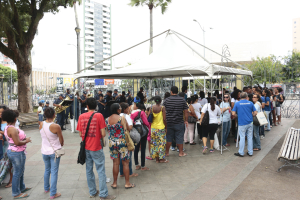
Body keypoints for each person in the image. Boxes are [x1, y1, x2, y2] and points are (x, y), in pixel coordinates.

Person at [77, 98, 115, 199]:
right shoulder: (99, 115)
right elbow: (103, 133)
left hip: (86, 147)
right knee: (101, 170)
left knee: (89, 170)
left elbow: (80, 133)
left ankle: (92, 192)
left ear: (87, 106)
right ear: (96, 106)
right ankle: (103, 194)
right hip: (97, 146)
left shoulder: (81, 116)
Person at [4, 109, 32, 198]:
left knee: (20, 171)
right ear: (15, 119)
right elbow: (17, 143)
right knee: (17, 172)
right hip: (16, 153)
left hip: (16, 152)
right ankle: (16, 193)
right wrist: (26, 141)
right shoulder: (12, 129)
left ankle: (22, 187)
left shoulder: (7, 127)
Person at [107, 103, 135, 190]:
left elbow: (109, 130)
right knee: (125, 163)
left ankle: (114, 183)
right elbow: (128, 129)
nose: (120, 109)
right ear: (117, 109)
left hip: (112, 143)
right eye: (119, 108)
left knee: (115, 163)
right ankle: (127, 183)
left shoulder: (107, 119)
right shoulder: (121, 118)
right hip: (122, 143)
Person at [40, 107, 64, 199]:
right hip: (54, 152)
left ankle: (46, 188)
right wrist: (59, 144)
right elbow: (61, 140)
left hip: (44, 151)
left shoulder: (41, 124)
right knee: (54, 172)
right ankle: (53, 193)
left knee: (47, 170)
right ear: (54, 115)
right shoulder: (56, 126)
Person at [163, 86, 188, 157]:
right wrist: (186, 120)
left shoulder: (166, 100)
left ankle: (167, 152)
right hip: (179, 122)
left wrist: (164, 121)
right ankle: (181, 153)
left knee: (169, 138)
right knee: (180, 137)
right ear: (177, 91)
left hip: (169, 122)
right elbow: (186, 111)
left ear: (171, 91)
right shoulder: (182, 100)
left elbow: (163, 111)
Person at [232, 92, 257, 157]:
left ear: (240, 97)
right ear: (246, 97)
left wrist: (237, 116)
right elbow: (255, 112)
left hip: (242, 123)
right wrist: (252, 115)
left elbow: (233, 113)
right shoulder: (250, 103)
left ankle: (241, 152)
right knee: (250, 137)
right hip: (250, 122)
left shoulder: (237, 103)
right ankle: (250, 152)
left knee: (242, 137)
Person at [130, 97, 151, 170]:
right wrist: (148, 127)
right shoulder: (141, 113)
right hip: (142, 133)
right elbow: (146, 123)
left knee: (136, 148)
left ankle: (136, 164)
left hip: (135, 133)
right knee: (143, 148)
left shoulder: (132, 113)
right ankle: (143, 166)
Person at [119, 103, 138, 178]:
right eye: (128, 108)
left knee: (120, 156)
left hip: (118, 138)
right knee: (128, 156)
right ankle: (130, 172)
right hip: (126, 138)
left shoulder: (118, 116)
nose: (129, 109)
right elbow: (129, 127)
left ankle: (121, 172)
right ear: (125, 109)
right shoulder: (126, 116)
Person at [150, 96, 168, 163]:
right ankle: (162, 159)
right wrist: (166, 127)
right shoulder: (162, 108)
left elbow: (149, 116)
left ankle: (157, 159)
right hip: (161, 128)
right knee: (161, 143)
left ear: (155, 101)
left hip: (153, 128)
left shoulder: (151, 108)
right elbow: (164, 119)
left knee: (155, 143)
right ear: (160, 101)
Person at [0, 105, 12, 188]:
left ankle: (10, 181)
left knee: (10, 164)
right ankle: (2, 179)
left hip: (9, 145)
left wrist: (2, 133)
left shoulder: (10, 121)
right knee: (2, 163)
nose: (0, 114)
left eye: (1, 112)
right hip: (2, 145)